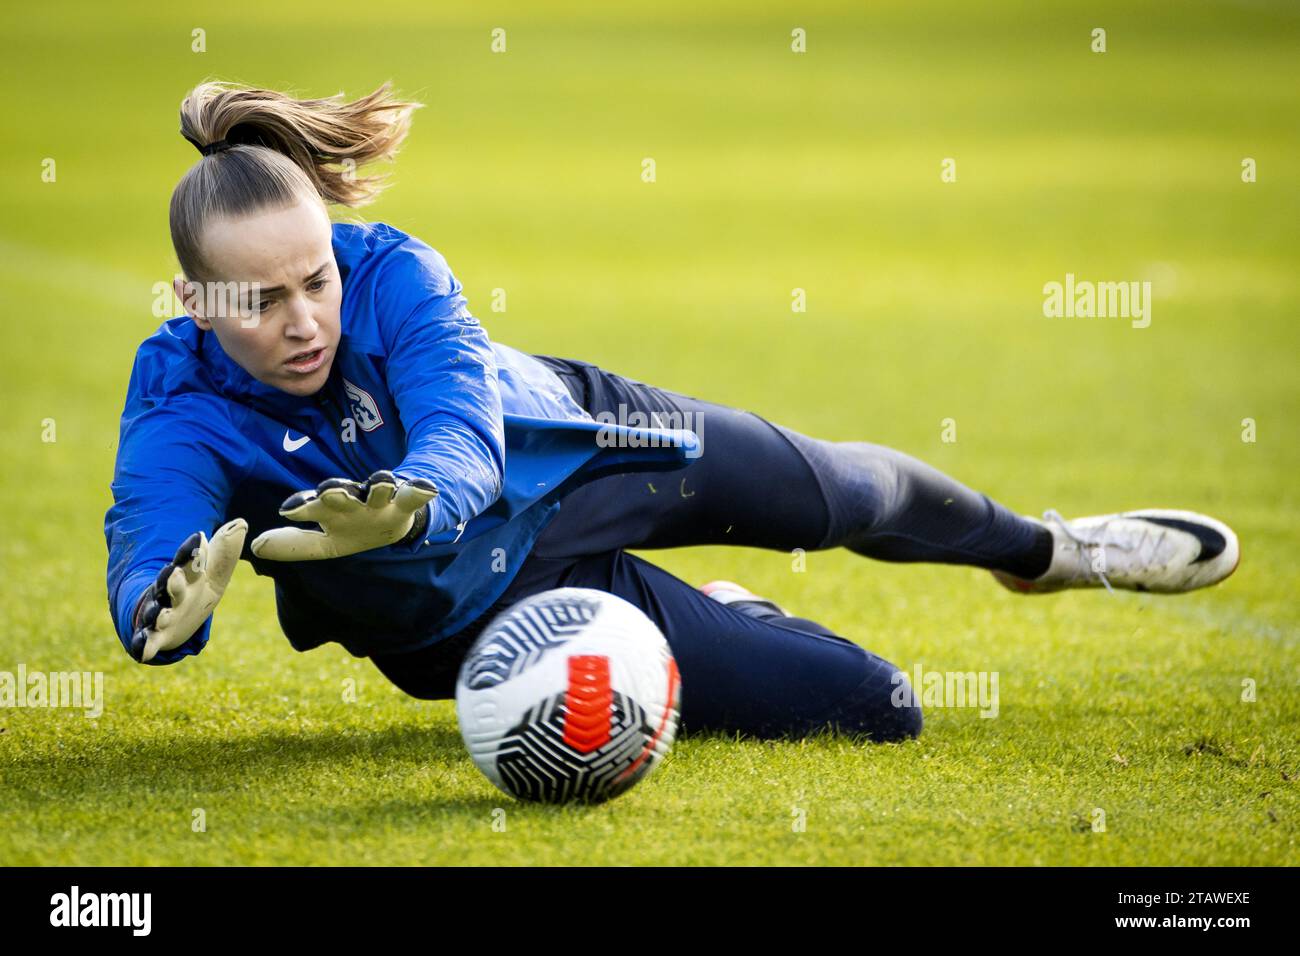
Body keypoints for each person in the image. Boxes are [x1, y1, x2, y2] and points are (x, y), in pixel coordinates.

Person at [105, 81, 1240, 744]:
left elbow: (462, 428)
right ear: (193, 301)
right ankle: (730, 610)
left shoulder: (394, 269)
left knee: (839, 490)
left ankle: (1048, 549)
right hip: (469, 621)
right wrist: (162, 605)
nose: (305, 318)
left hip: (585, 455)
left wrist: (417, 505)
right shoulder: (175, 401)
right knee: (881, 706)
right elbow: (154, 543)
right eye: (261, 300)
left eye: (316, 277)